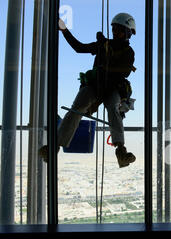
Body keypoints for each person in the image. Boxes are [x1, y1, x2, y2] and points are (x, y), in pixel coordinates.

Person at [39, 13, 137, 168]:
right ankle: (54, 148)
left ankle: (121, 150)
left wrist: (105, 58)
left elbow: (124, 71)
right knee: (76, 108)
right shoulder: (104, 45)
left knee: (113, 108)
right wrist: (64, 30)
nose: (115, 33)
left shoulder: (126, 52)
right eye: (114, 29)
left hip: (112, 87)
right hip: (96, 85)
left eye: (119, 30)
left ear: (128, 33)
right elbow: (79, 47)